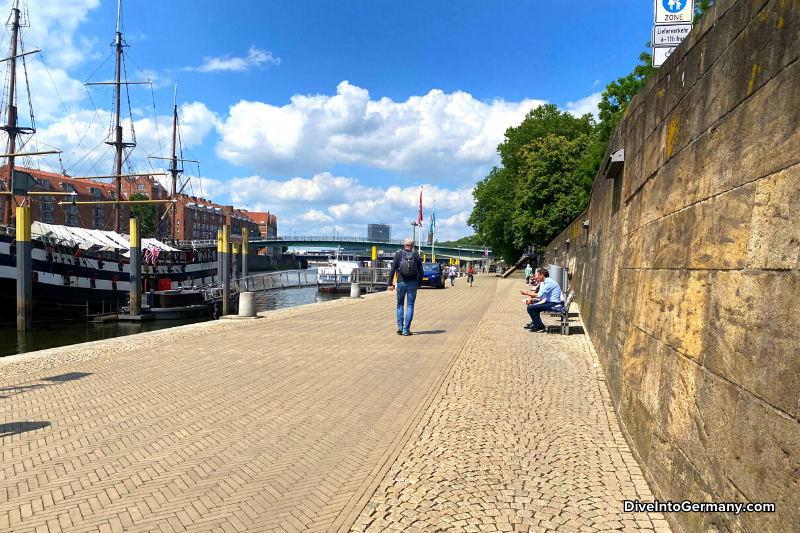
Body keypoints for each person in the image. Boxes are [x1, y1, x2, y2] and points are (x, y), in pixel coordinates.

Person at [387, 237, 423, 336]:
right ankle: (407, 330)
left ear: (404, 245)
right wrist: (419, 283)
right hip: (412, 283)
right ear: (412, 246)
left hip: (401, 282)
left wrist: (390, 283)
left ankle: (400, 326)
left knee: (400, 304)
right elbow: (421, 271)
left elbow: (392, 269)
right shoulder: (416, 256)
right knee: (410, 306)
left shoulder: (398, 254)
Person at [524, 268, 561, 333]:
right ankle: (539, 324)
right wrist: (536, 303)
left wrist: (527, 293)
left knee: (530, 308)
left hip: (553, 304)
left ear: (542, 275)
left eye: (538, 275)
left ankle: (538, 326)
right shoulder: (548, 282)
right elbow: (544, 298)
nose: (537, 277)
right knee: (535, 302)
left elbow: (539, 295)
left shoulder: (549, 283)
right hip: (550, 302)